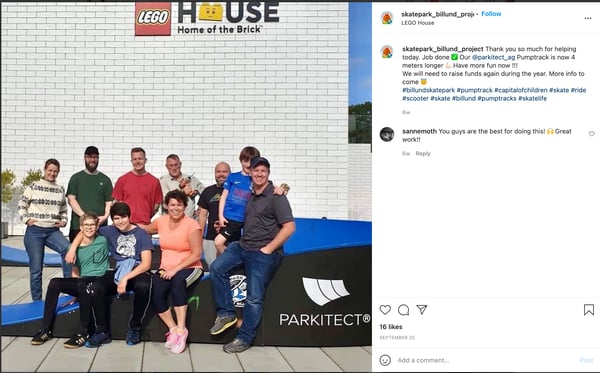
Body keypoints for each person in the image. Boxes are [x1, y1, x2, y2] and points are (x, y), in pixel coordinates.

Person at [209, 156, 295, 354]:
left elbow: (290, 227)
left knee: (254, 298)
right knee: (217, 268)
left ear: (268, 174)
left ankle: (244, 338)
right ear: (250, 172)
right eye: (256, 170)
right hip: (243, 246)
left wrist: (269, 248)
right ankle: (227, 313)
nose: (259, 173)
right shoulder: (250, 194)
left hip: (262, 253)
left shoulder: (277, 196)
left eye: (263, 171)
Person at [65, 202, 153, 347]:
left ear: (129, 217)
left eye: (123, 217)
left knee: (143, 286)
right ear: (113, 220)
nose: (120, 221)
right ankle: (102, 331)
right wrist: (72, 248)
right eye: (116, 218)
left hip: (137, 270)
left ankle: (135, 327)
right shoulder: (109, 231)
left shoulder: (141, 233)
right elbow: (86, 229)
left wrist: (126, 278)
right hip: (119, 270)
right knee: (96, 287)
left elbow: (146, 264)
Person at [31, 213, 109, 348]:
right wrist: (76, 293)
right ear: (81, 227)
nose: (89, 228)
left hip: (99, 279)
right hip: (83, 279)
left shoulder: (103, 239)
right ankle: (45, 329)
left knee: (83, 285)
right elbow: (75, 270)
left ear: (97, 227)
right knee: (55, 283)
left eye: (92, 225)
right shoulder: (75, 248)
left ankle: (83, 332)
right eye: (86, 225)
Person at [142, 190, 204, 354]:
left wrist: (175, 269)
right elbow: (146, 229)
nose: (176, 208)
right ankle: (173, 329)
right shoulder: (161, 221)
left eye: (179, 205)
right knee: (155, 289)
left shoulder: (192, 225)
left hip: (190, 267)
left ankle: (182, 330)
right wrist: (124, 224)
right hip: (166, 268)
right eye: (172, 205)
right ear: (166, 206)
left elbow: (196, 254)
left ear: (185, 206)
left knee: (177, 282)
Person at [215, 147, 290, 255]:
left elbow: (271, 185)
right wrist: (221, 216)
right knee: (220, 243)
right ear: (241, 160)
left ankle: (231, 261)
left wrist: (280, 188)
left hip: (245, 219)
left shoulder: (255, 179)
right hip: (230, 218)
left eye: (252, 161)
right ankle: (229, 262)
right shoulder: (232, 177)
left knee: (224, 243)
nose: (248, 164)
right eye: (246, 160)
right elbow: (223, 197)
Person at [17, 158, 72, 302]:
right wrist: (26, 219)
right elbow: (22, 204)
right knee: (36, 269)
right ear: (45, 169)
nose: (52, 173)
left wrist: (64, 221)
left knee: (68, 249)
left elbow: (64, 209)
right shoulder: (34, 186)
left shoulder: (60, 189)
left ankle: (69, 290)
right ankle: (37, 301)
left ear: (58, 172)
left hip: (52, 231)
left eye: (55, 171)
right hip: (34, 231)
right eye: (50, 170)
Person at [66, 146, 114, 242]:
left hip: (100, 226)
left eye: (95, 157)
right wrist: (85, 217)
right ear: (84, 157)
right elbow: (71, 199)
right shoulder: (76, 178)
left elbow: (109, 202)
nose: (93, 160)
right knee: (76, 254)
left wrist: (105, 217)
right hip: (78, 226)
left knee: (99, 254)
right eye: (90, 157)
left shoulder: (105, 180)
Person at [112, 147, 163, 225]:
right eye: (134, 159)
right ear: (131, 161)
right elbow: (117, 204)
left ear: (145, 160)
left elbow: (156, 206)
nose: (137, 161)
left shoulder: (154, 181)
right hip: (125, 226)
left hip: (145, 226)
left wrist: (145, 217)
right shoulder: (122, 180)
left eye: (140, 158)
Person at [197, 161, 231, 267]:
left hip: (232, 238)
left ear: (230, 174)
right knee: (213, 268)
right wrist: (200, 237)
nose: (221, 174)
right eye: (218, 171)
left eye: (225, 171)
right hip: (211, 238)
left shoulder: (236, 191)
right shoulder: (208, 191)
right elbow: (202, 215)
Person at [159, 154, 204, 218]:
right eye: (171, 165)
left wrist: (201, 208)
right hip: (170, 222)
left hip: (189, 221)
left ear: (180, 164)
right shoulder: (162, 182)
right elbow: (165, 203)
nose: (174, 168)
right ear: (166, 166)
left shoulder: (191, 179)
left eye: (176, 165)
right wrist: (182, 191)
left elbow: (205, 193)